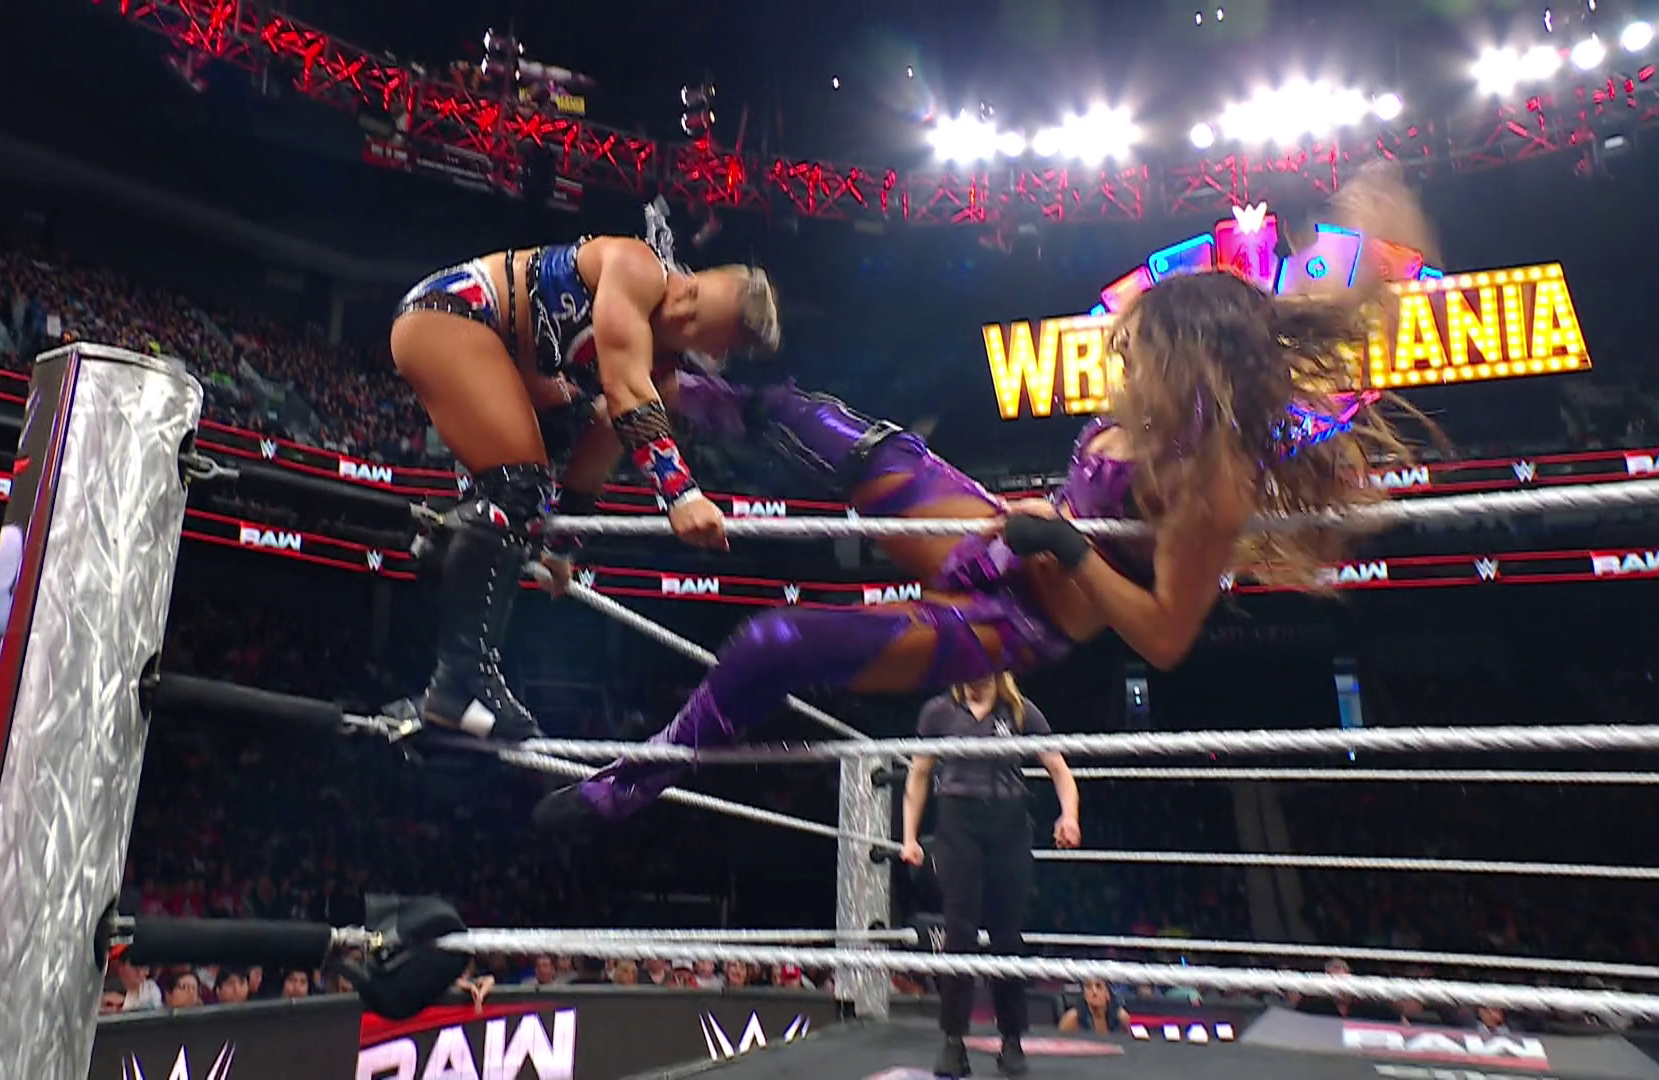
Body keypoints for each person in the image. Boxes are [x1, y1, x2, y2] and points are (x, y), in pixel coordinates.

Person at [534, 168, 1431, 829]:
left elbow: (1164, 637)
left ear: (1191, 360)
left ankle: (633, 782)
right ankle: (662, 394)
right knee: (829, 429)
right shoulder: (1152, 409)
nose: (1127, 361)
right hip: (998, 537)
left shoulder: (1215, 476)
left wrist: (1073, 550)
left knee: (778, 642)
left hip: (1019, 620)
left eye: (1147, 349)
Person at [389, 214, 781, 742]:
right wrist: (681, 493)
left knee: (540, 470)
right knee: (519, 486)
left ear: (709, 350)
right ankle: (459, 681)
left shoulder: (660, 372)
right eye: (691, 292)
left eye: (694, 324)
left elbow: (596, 454)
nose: (680, 306)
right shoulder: (640, 268)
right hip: (453, 314)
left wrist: (562, 548)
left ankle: (453, 534)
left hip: (500, 358)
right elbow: (623, 391)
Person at [900, 674, 1080, 1078]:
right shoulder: (940, 711)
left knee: (1007, 934)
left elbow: (1059, 768)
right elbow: (919, 772)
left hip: (1008, 823)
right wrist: (909, 837)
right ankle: (952, 1041)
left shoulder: (1020, 711)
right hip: (957, 823)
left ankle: (1012, 1039)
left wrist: (1069, 816)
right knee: (959, 931)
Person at [1059, 979, 1130, 1035]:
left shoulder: (1121, 1017)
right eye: (1088, 987)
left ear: (1107, 994)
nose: (1094, 992)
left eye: (1098, 986)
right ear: (1085, 995)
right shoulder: (1072, 1018)